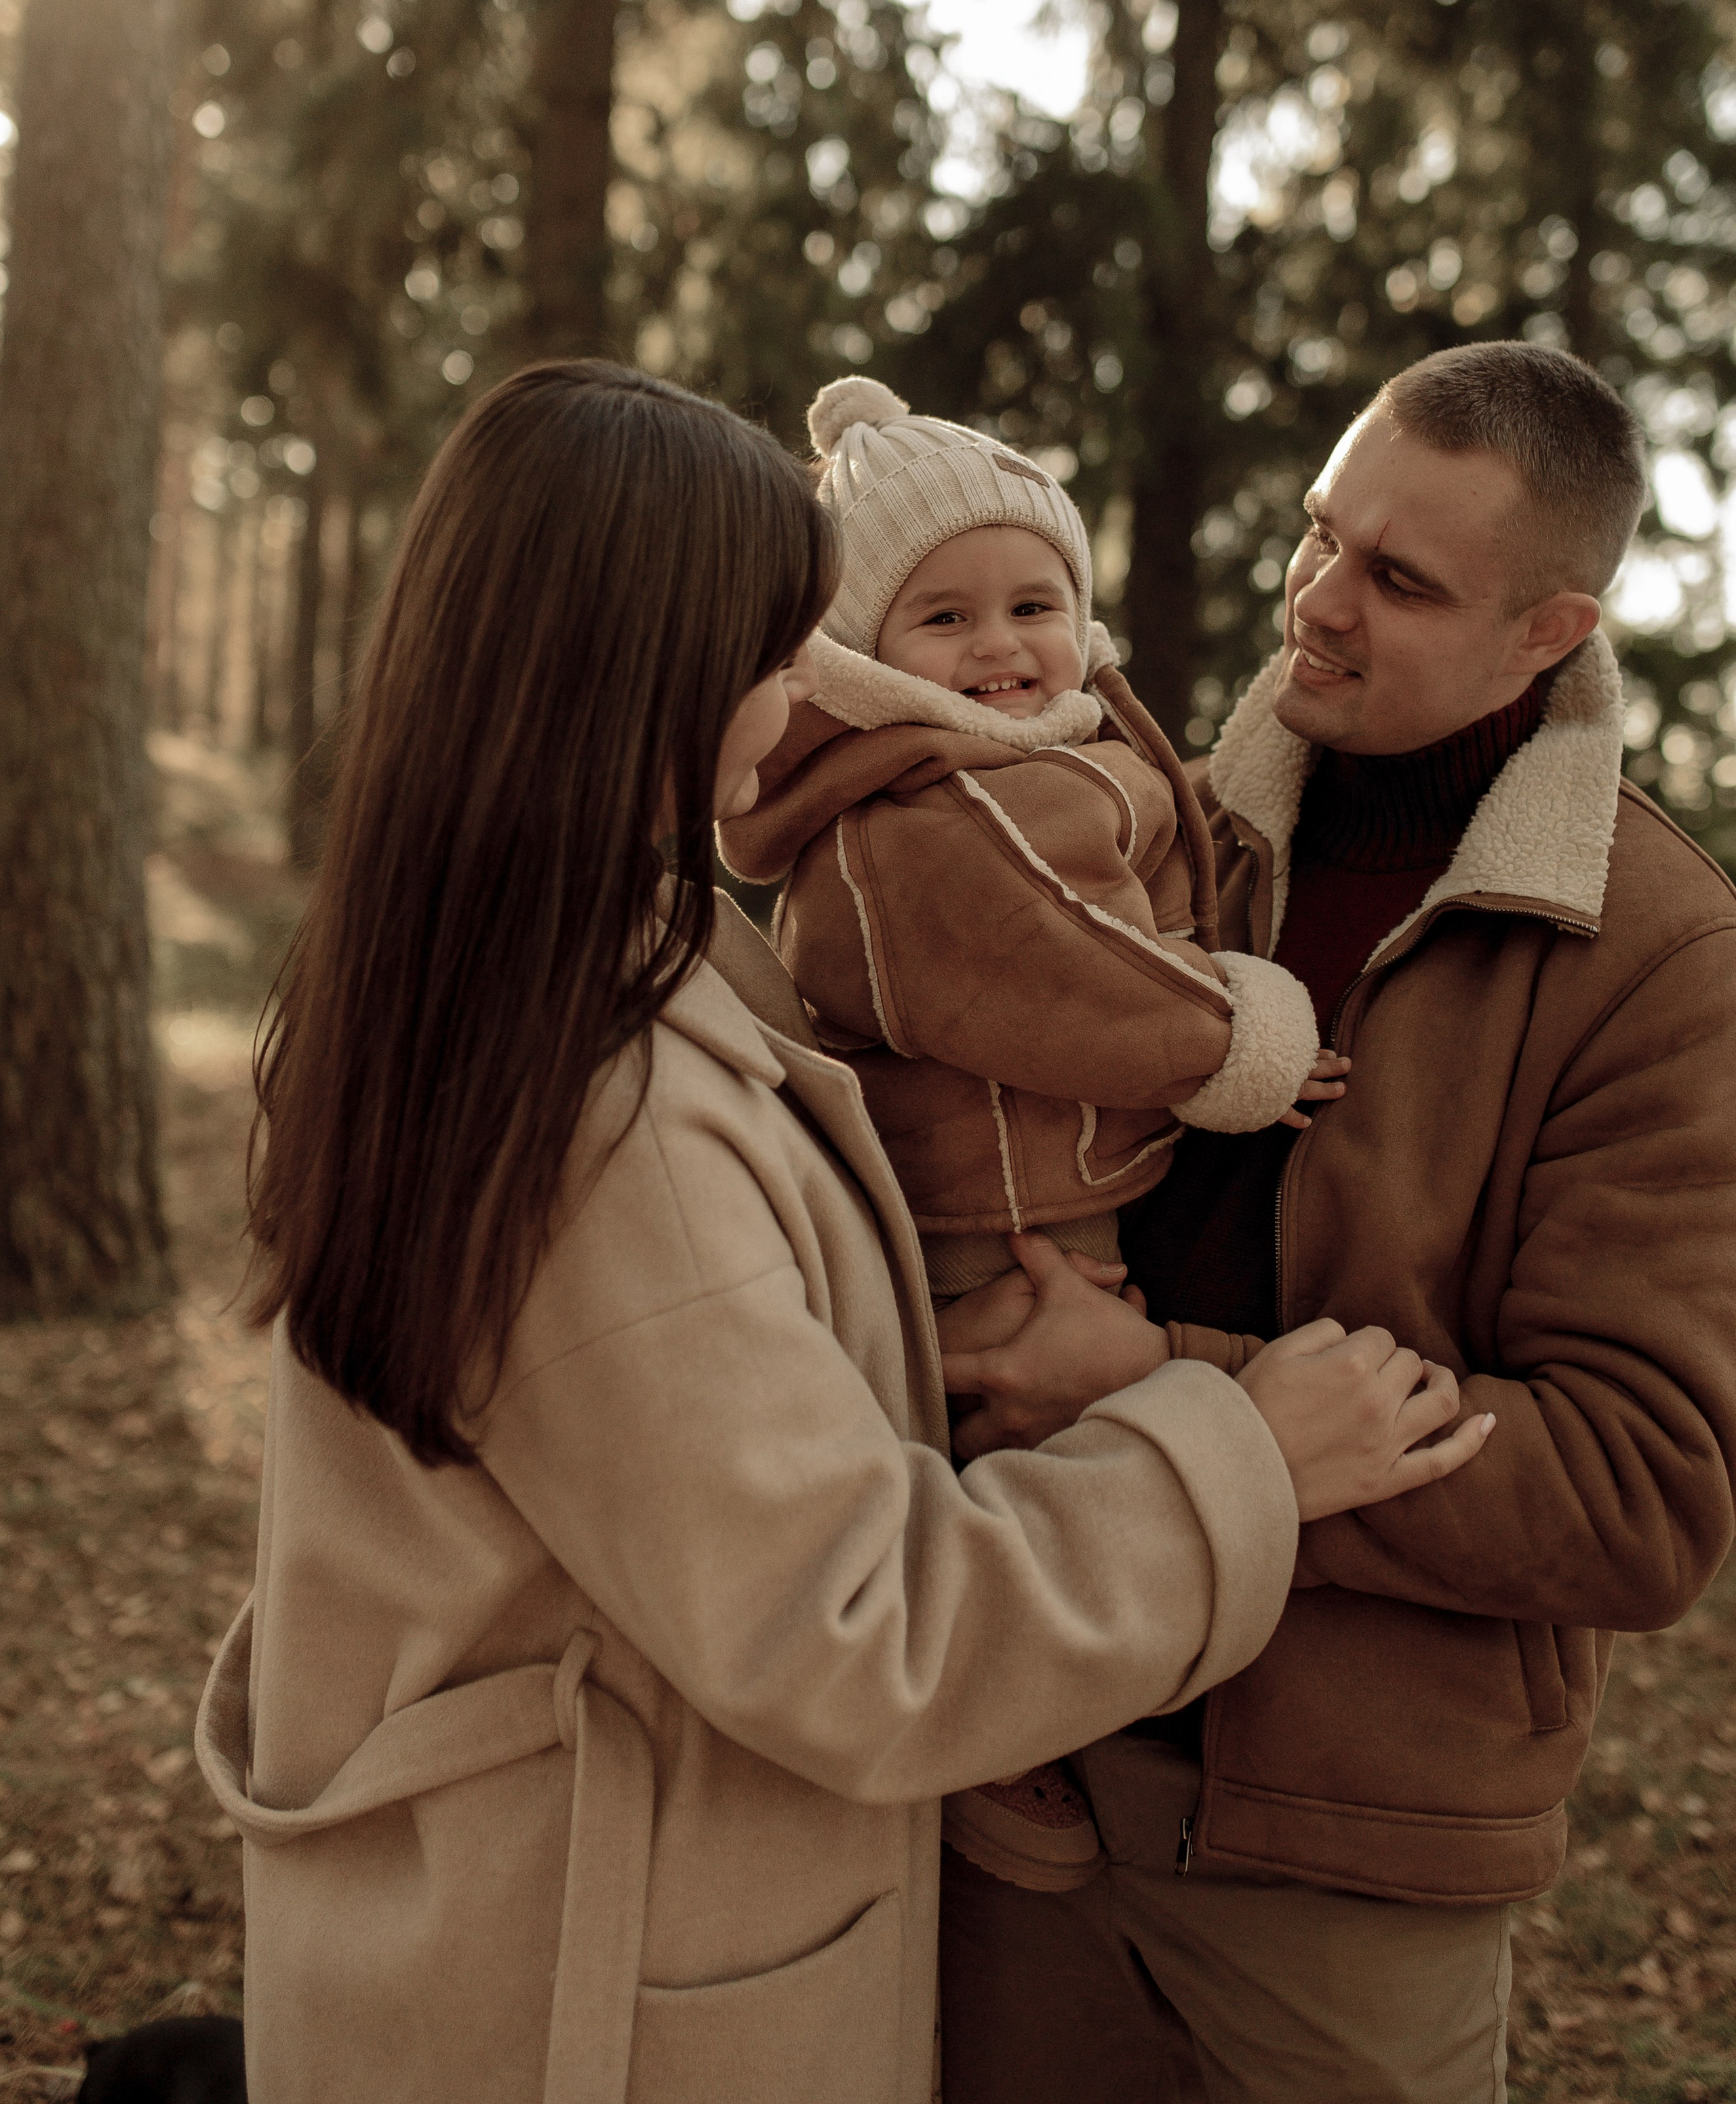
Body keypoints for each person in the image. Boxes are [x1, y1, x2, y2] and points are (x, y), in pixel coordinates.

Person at [194, 360, 1487, 2104]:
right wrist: (1239, 1451)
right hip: (611, 2008)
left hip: (497, 1939)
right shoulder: (600, 1115)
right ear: (649, 671)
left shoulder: (449, 982)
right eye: (774, 641)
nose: (808, 683)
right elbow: (859, 1625)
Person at [938, 342, 1736, 2104]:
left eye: (1398, 579)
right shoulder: (1150, 836)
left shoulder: (1662, 959)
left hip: (1349, 1867)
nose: (1316, 601)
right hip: (1024, 1759)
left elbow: (1639, 1487)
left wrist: (1166, 1388)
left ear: (1551, 632)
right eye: (1321, 537)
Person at [722, 372, 1345, 1894]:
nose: (999, 647)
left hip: (1053, 1178)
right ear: (860, 654)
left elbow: (1138, 865)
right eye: (942, 619)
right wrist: (1234, 1037)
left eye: (1032, 602)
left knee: (1047, 1419)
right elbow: (1055, 976)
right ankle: (994, 1742)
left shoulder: (1023, 755)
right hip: (980, 1205)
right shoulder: (919, 818)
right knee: (1009, 1434)